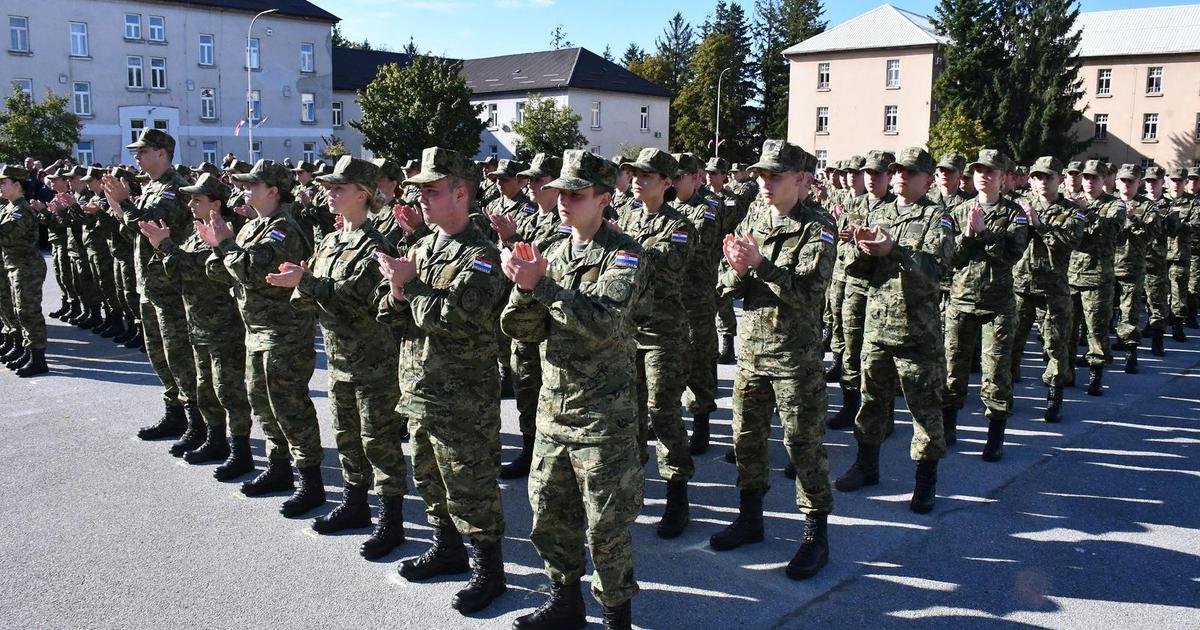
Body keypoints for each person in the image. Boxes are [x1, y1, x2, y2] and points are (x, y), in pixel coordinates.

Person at [500, 149, 648, 630]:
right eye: (561, 192)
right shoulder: (553, 251)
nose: (564, 201)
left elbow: (604, 321)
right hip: (554, 412)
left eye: (577, 194)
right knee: (549, 517)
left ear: (604, 198)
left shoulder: (624, 254)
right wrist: (525, 289)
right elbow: (520, 328)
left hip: (604, 418)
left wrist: (541, 286)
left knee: (606, 528)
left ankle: (615, 617)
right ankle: (564, 601)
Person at [376, 146, 507, 615]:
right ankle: (446, 548)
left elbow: (454, 319)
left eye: (431, 190)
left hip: (463, 397)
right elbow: (389, 315)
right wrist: (397, 292)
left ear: (460, 193)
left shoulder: (482, 256)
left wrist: (409, 286)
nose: (422, 199)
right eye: (420, 191)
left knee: (471, 484)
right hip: (419, 388)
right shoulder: (423, 247)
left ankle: (489, 571)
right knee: (430, 479)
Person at [269, 156, 409, 560]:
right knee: (346, 436)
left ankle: (391, 521)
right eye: (328, 187)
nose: (329, 193)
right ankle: (355, 504)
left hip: (372, 361)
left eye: (339, 188)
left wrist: (307, 282)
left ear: (362, 195)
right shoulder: (331, 241)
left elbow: (355, 301)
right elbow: (312, 293)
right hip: (339, 357)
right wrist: (299, 283)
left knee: (378, 442)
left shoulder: (376, 246)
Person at [708, 139, 835, 581]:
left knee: (802, 444)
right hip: (753, 352)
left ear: (800, 179)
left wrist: (760, 265)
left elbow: (809, 293)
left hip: (795, 357)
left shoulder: (818, 227)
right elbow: (725, 282)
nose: (764, 182)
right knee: (746, 440)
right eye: (761, 174)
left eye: (774, 175)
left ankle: (816, 534)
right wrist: (736, 271)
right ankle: (750, 518)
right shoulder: (754, 218)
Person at [196, 159, 325, 517]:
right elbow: (221, 273)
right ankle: (279, 468)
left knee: (290, 407)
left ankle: (311, 483)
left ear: (272, 191)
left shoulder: (283, 229)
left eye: (252, 184)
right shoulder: (253, 227)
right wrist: (221, 247)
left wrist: (225, 245)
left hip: (284, 333)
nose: (244, 189)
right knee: (263, 404)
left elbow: (251, 272)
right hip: (256, 331)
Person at [833, 146, 952, 512]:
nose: (901, 176)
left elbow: (936, 269)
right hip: (877, 326)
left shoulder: (937, 217)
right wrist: (859, 250)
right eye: (898, 170)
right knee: (871, 401)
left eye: (911, 172)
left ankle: (925, 481)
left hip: (917, 332)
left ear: (928, 180)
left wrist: (894, 250)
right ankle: (866, 466)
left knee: (924, 407)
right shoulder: (879, 212)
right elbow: (854, 267)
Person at [138, 173, 254, 477]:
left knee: (228, 390)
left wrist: (165, 245)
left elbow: (197, 270)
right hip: (198, 322)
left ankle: (240, 450)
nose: (190, 204)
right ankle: (214, 438)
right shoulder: (196, 231)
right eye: (190, 199)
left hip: (222, 324)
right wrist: (163, 247)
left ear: (215, 204)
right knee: (205, 387)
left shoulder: (224, 233)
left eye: (197, 199)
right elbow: (176, 271)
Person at [101, 129, 202, 447]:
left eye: (143, 151)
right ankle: (175, 414)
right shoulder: (151, 187)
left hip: (170, 285)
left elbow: (150, 225)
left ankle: (198, 422)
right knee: (158, 353)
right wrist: (119, 207)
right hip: (150, 284)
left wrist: (124, 203)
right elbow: (134, 231)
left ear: (162, 153)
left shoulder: (174, 189)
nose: (136, 156)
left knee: (179, 355)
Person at [615, 148, 695, 539]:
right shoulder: (627, 217)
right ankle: (633, 488)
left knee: (662, 413)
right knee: (630, 414)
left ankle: (678, 497)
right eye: (634, 174)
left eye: (646, 175)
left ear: (666, 182)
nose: (637, 180)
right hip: (630, 331)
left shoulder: (679, 225)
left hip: (664, 334)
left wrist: (622, 248)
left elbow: (667, 266)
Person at [941, 150, 1028, 460]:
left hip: (997, 305)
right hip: (961, 300)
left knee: (996, 373)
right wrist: (967, 235)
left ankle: (995, 437)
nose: (983, 176)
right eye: (979, 170)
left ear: (1003, 178)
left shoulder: (1015, 214)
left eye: (991, 172)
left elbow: (1012, 255)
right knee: (953, 368)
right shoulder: (958, 211)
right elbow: (949, 258)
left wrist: (985, 233)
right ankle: (948, 428)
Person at [488, 153, 569, 479]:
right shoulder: (530, 218)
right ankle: (529, 447)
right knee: (525, 385)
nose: (531, 184)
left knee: (550, 393)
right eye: (529, 179)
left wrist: (511, 239)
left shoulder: (566, 223)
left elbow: (541, 262)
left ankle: (552, 455)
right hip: (523, 315)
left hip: (549, 321)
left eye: (539, 179)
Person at [1010, 157, 1084, 422]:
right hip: (1020, 286)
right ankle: (1005, 392)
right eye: (1037, 177)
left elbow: (1069, 242)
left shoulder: (1072, 211)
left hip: (1053, 289)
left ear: (1060, 180)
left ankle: (1054, 396)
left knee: (1055, 345)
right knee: (1011, 342)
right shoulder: (1018, 205)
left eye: (1048, 177)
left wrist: (1039, 225)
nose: (1042, 182)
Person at [828, 151, 894, 431]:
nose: (871, 178)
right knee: (851, 348)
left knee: (881, 355)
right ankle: (850, 406)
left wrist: (879, 248)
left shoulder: (896, 208)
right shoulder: (853, 205)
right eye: (868, 172)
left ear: (889, 176)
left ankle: (885, 413)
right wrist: (855, 246)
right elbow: (840, 244)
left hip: (885, 290)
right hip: (855, 285)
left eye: (878, 173)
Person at [673, 153, 724, 455]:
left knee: (699, 361)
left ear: (695, 178)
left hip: (697, 297)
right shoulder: (667, 207)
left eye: (679, 176)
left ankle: (701, 424)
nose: (673, 182)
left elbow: (694, 250)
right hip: (670, 298)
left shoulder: (706, 211)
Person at [1067, 160, 1125, 395]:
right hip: (1071, 276)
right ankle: (1067, 371)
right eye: (1087, 177)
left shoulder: (1115, 205)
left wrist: (1086, 212)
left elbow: (1112, 230)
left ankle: (1095, 375)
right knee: (1068, 329)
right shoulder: (1070, 202)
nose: (1089, 181)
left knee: (1097, 330)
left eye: (1095, 178)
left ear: (1104, 180)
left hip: (1098, 278)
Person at [0, 165, 49, 376]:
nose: (0, 187)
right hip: (15, 265)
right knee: (18, 311)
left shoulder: (22, 211)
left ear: (17, 185)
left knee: (28, 312)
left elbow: (6, 234)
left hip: (27, 267)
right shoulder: (9, 208)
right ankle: (26, 351)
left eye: (4, 183)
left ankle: (38, 359)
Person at [1111, 164, 1160, 373]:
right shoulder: (1109, 203)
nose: (1126, 184)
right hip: (1105, 267)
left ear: (1138, 183)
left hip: (1132, 267)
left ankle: (1130, 353)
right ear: (1116, 182)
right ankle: (1098, 353)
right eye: (1123, 180)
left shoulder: (1147, 206)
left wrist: (1133, 218)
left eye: (1130, 181)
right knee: (1101, 313)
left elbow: (1152, 233)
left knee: (1129, 313)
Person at [1164, 167, 1195, 342]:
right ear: (1168, 181)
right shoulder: (1161, 200)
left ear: (1185, 182)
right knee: (1157, 292)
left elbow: (1196, 224)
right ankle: (1156, 324)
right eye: (1173, 180)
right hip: (1158, 254)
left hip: (1180, 254)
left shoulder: (1193, 202)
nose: (1176, 183)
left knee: (1178, 292)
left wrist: (1177, 224)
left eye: (1180, 181)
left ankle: (1177, 325)